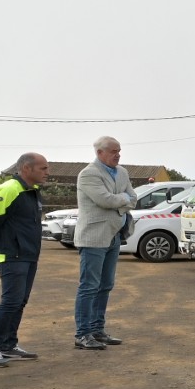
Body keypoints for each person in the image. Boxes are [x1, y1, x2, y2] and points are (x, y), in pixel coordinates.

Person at [0, 154, 50, 368]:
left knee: (20, 301)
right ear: (26, 168)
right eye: (43, 168)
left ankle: (8, 345)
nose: (47, 173)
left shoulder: (33, 191)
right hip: (11, 254)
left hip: (28, 255)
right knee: (10, 301)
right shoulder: (9, 189)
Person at [74, 136, 137, 349]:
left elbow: (133, 197)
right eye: (113, 151)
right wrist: (123, 199)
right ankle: (83, 334)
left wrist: (119, 199)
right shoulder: (89, 174)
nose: (118, 154)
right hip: (93, 238)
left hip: (114, 236)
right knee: (89, 286)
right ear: (100, 153)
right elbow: (104, 200)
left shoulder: (123, 172)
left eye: (119, 150)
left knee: (106, 285)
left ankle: (98, 330)